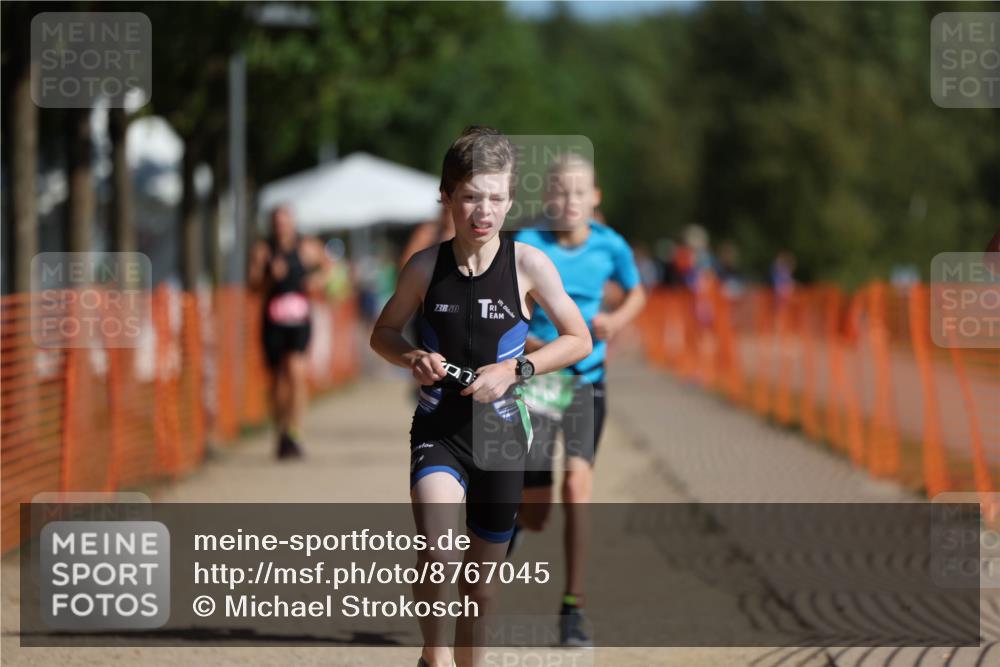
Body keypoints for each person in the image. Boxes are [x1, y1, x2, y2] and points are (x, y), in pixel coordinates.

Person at [370, 126, 592, 667]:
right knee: (438, 553)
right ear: (446, 197)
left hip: (502, 438)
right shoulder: (425, 267)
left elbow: (578, 338)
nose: (482, 211)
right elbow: (383, 334)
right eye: (470, 196)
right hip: (440, 431)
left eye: (495, 197)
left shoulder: (528, 265)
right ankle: (435, 655)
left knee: (482, 590)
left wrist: (517, 368)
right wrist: (412, 358)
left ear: (510, 199)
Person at [511, 152, 646, 647]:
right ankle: (519, 525)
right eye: (560, 191)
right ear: (547, 197)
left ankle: (573, 607)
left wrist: (616, 320)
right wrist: (532, 347)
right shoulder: (526, 245)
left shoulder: (611, 245)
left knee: (577, 487)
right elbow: (505, 313)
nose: (569, 200)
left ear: (595, 198)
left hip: (587, 379)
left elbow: (637, 293)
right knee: (537, 509)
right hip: (539, 381)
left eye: (579, 192)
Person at [248, 205, 331, 459]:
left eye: (285, 222)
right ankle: (281, 431)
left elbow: (328, 267)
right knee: (276, 381)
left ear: (292, 223)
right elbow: (253, 285)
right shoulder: (263, 250)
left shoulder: (306, 246)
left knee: (296, 372)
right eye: (276, 222)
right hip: (272, 322)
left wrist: (316, 281)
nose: (281, 227)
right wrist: (270, 278)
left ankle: (295, 431)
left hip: (299, 321)